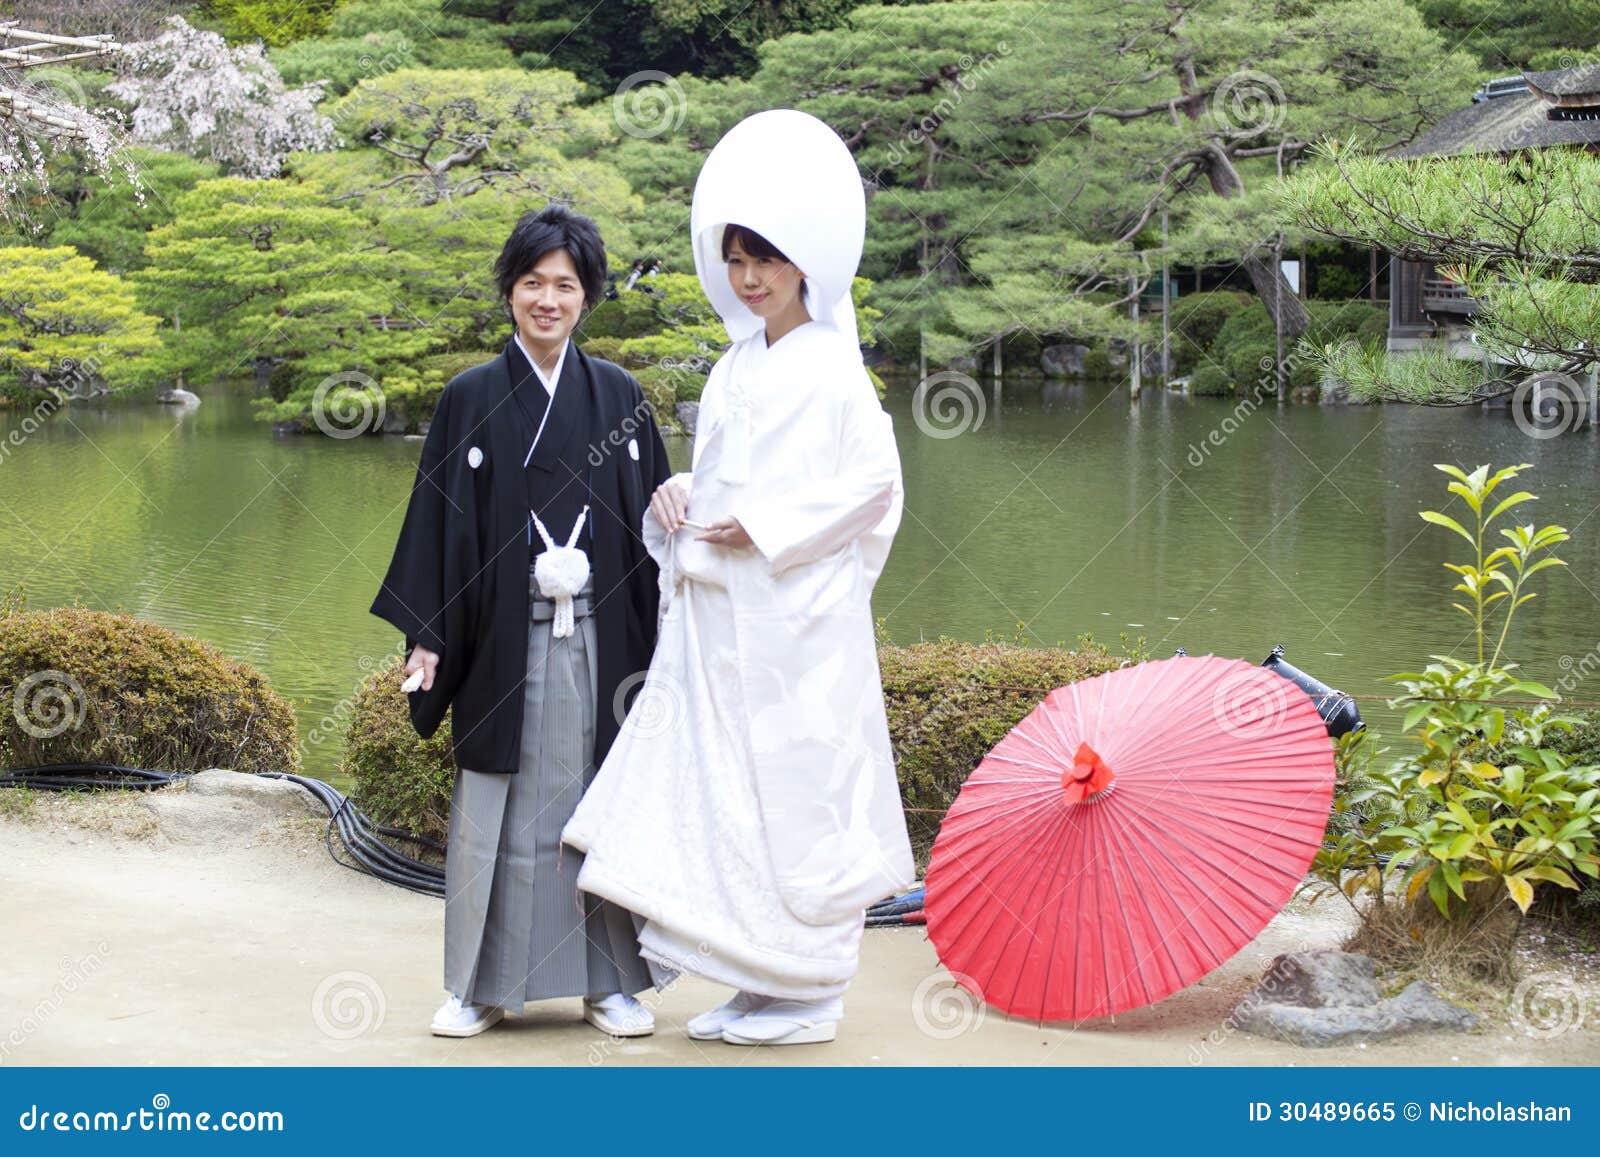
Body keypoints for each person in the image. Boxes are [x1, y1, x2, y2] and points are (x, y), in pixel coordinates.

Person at [561, 110, 915, 1047]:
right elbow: (714, 478)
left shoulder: (837, 369)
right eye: (736, 259)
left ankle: (811, 987)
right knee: (728, 797)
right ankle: (757, 978)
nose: (749, 277)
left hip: (795, 631)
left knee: (795, 797)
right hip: (720, 624)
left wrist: (762, 530)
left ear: (805, 262)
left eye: (764, 258)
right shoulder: (732, 366)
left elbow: (874, 486)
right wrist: (675, 500)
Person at [370, 205, 673, 1039]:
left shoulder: (617, 395)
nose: (548, 299)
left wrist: (681, 505)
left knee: (598, 796)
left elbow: (653, 527)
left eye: (565, 285)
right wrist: (427, 633)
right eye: (532, 282)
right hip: (501, 636)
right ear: (510, 292)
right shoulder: (470, 397)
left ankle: (608, 981)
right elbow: (434, 522)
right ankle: (479, 984)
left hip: (601, 637)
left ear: (587, 298)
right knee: (494, 802)